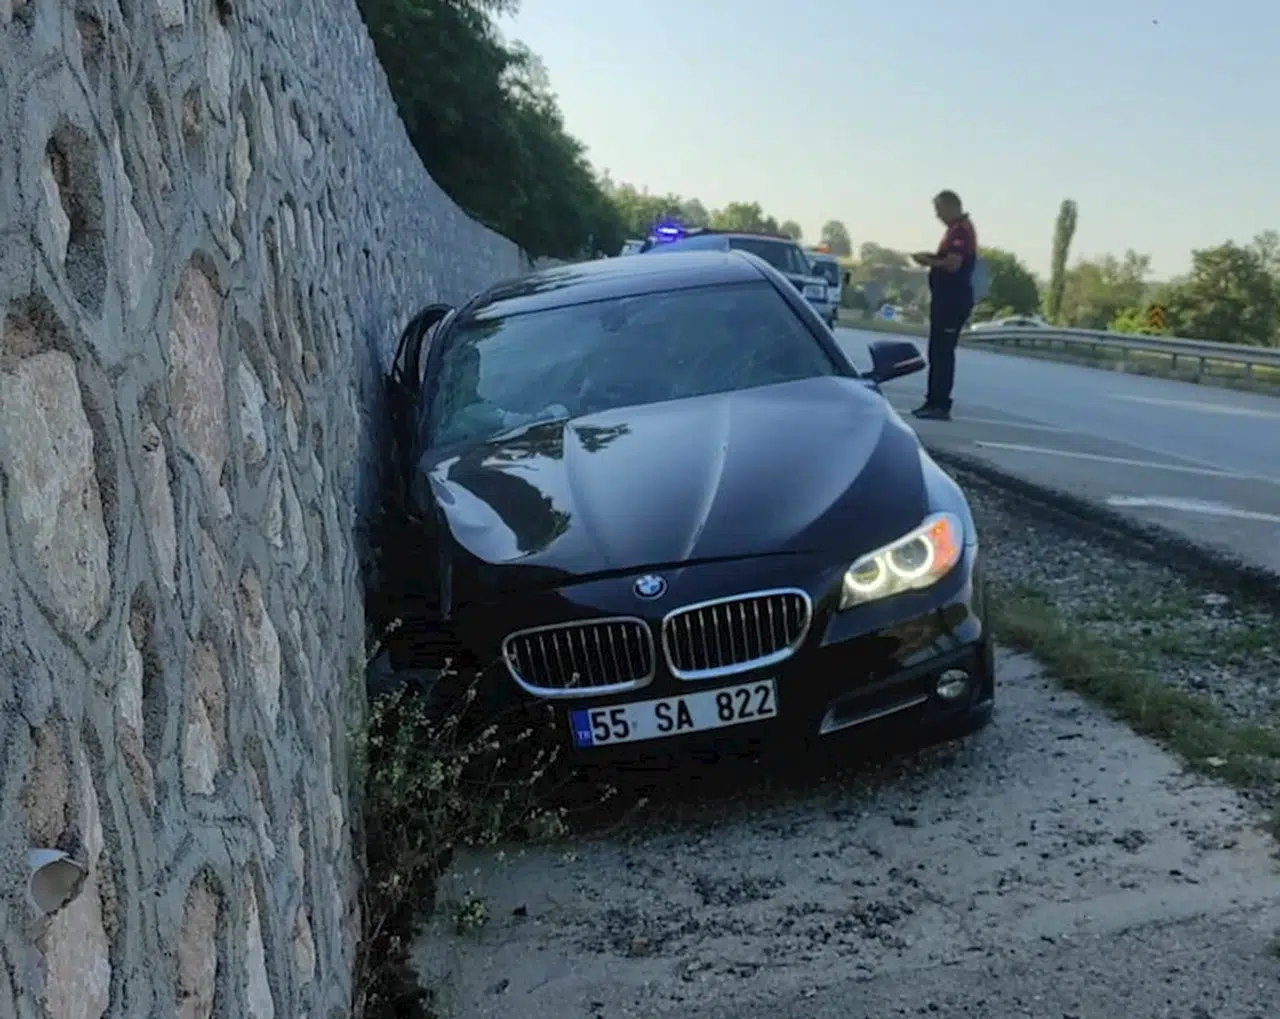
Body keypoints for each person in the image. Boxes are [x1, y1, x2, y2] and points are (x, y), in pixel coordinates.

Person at [909, 190, 977, 421]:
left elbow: (953, 264)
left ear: (951, 207)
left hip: (952, 300)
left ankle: (940, 404)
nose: (938, 216)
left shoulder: (961, 231)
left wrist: (926, 260)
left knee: (943, 354)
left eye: (939, 210)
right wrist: (931, 256)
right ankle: (932, 401)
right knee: (937, 352)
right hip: (945, 299)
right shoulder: (954, 230)